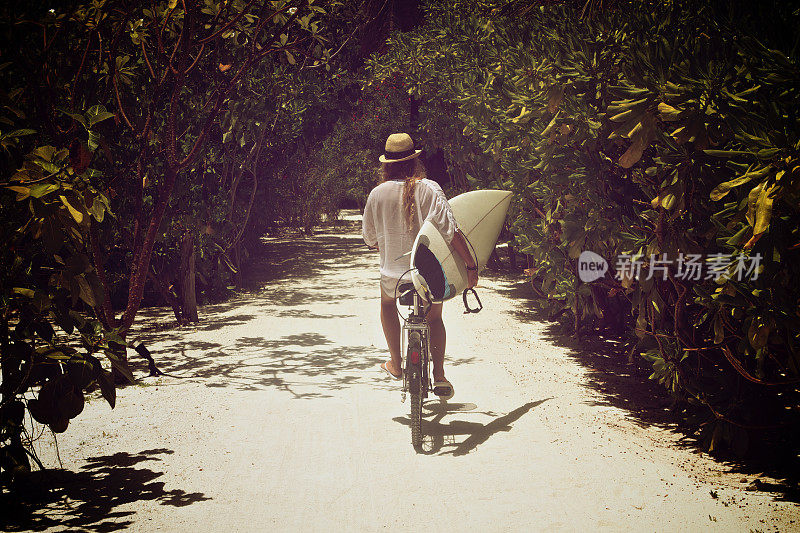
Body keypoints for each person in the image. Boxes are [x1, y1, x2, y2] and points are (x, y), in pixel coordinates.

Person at [362, 133, 478, 400]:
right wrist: (470, 267)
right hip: (428, 273)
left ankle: (395, 363)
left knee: (387, 305)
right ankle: (439, 375)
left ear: (387, 165)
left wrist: (387, 244)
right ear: (415, 160)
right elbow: (451, 232)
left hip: (394, 275)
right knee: (434, 317)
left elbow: (370, 238)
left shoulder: (377, 194)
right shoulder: (429, 188)